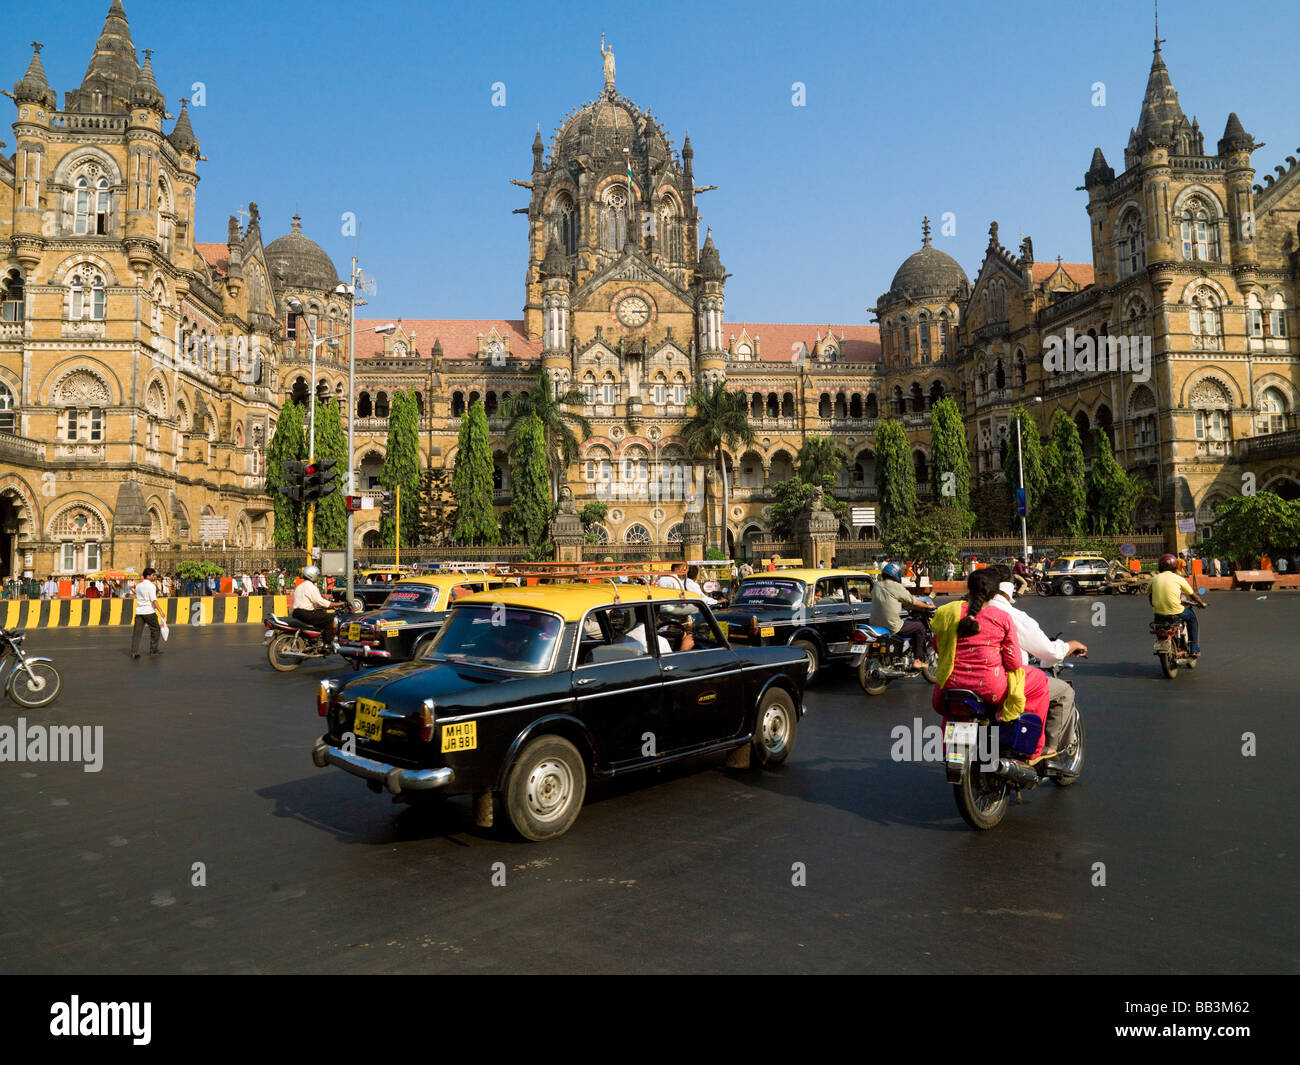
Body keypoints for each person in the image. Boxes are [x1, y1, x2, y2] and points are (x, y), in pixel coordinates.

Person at [931, 568, 1053, 762]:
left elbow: (937, 646)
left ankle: (951, 750)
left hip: (948, 688)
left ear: (968, 589)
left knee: (955, 709)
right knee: (1039, 681)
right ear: (995, 593)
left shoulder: (947, 612)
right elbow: (1014, 662)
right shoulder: (1001, 617)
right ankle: (1033, 750)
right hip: (991, 689)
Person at [989, 565, 1086, 758]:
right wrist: (1070, 645)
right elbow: (1048, 651)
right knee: (1064, 691)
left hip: (962, 679)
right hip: (1000, 680)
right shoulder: (1010, 616)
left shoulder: (964, 611)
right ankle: (1050, 750)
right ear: (1009, 587)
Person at [871, 563, 935, 669]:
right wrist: (927, 606)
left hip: (875, 625)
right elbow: (913, 601)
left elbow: (889, 600)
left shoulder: (877, 585)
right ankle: (917, 660)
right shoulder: (896, 586)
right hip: (891, 625)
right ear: (896, 574)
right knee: (919, 627)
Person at [1150, 553, 1207, 656]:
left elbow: (1150, 598)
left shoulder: (1154, 579)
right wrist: (1201, 603)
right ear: (1175, 566)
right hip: (1176, 612)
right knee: (1192, 619)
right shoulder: (1179, 579)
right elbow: (1192, 594)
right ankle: (1194, 648)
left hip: (1158, 615)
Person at [291, 565, 337, 645]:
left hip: (297, 613)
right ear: (312, 575)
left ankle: (315, 638)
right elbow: (320, 601)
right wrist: (336, 604)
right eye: (317, 576)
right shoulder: (311, 587)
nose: (318, 578)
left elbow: (310, 600)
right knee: (330, 617)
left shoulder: (300, 586)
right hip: (306, 614)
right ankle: (327, 643)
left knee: (321, 615)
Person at [131, 567, 162, 659]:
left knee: (137, 633)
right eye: (153, 575)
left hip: (139, 612)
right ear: (148, 576)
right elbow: (154, 600)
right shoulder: (151, 586)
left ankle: (134, 652)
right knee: (155, 630)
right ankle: (153, 650)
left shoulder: (138, 586)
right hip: (149, 611)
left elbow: (136, 595)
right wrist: (160, 611)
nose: (154, 576)